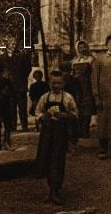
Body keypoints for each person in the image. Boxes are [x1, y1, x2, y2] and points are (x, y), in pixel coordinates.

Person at [34, 70, 79, 205]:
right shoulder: (44, 98)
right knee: (46, 159)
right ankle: (50, 190)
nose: (56, 86)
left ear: (63, 83)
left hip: (61, 133)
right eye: (53, 83)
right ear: (49, 83)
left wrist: (66, 115)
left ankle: (56, 190)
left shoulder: (68, 98)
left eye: (59, 83)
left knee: (58, 160)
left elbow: (76, 113)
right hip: (47, 133)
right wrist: (44, 116)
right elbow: (37, 113)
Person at [71, 40, 97, 139]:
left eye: (84, 47)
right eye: (80, 47)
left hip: (87, 86)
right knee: (78, 108)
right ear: (77, 49)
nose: (82, 49)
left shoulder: (91, 60)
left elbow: (94, 74)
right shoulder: (74, 61)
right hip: (77, 87)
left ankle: (86, 131)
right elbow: (72, 73)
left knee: (87, 109)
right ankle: (79, 131)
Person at [8, 47, 33, 132]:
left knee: (22, 108)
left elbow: (28, 69)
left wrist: (22, 77)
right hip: (10, 87)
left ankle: (24, 126)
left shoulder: (24, 57)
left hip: (21, 87)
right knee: (11, 108)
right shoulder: (4, 57)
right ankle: (12, 126)